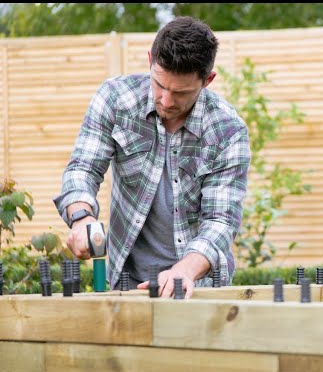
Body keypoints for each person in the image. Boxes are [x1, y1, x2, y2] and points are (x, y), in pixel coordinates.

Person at [54, 16, 251, 299]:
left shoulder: (228, 131)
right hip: (127, 281)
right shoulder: (115, 100)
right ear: (150, 59)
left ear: (207, 80)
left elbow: (221, 220)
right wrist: (81, 218)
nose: (167, 101)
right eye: (160, 85)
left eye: (181, 92)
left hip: (198, 288)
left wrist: (184, 270)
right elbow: (83, 168)